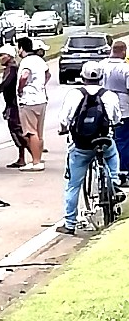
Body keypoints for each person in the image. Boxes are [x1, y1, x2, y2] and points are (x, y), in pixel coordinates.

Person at [56, 61, 125, 235]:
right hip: (103, 140)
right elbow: (116, 118)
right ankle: (115, 184)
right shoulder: (109, 95)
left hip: (81, 145)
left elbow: (65, 119)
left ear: (82, 77)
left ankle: (70, 223)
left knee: (73, 185)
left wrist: (63, 129)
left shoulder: (74, 94)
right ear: (101, 77)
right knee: (112, 154)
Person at [0, 46, 29, 168]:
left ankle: (33, 155)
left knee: (17, 130)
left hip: (14, 104)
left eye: (2, 55)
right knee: (16, 130)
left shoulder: (12, 69)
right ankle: (22, 158)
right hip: (11, 103)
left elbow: (5, 85)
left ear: (9, 56)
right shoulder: (10, 68)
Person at [17, 37, 50, 171]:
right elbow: (48, 74)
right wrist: (41, 85)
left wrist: (20, 89)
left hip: (28, 100)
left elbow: (24, 76)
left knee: (31, 132)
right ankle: (37, 158)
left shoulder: (26, 62)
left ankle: (36, 161)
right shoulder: (39, 60)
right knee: (39, 132)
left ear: (21, 48)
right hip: (41, 99)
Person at [100, 41, 129, 178]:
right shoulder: (125, 69)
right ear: (123, 51)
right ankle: (122, 171)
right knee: (122, 140)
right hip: (123, 108)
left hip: (102, 108)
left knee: (105, 139)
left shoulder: (101, 66)